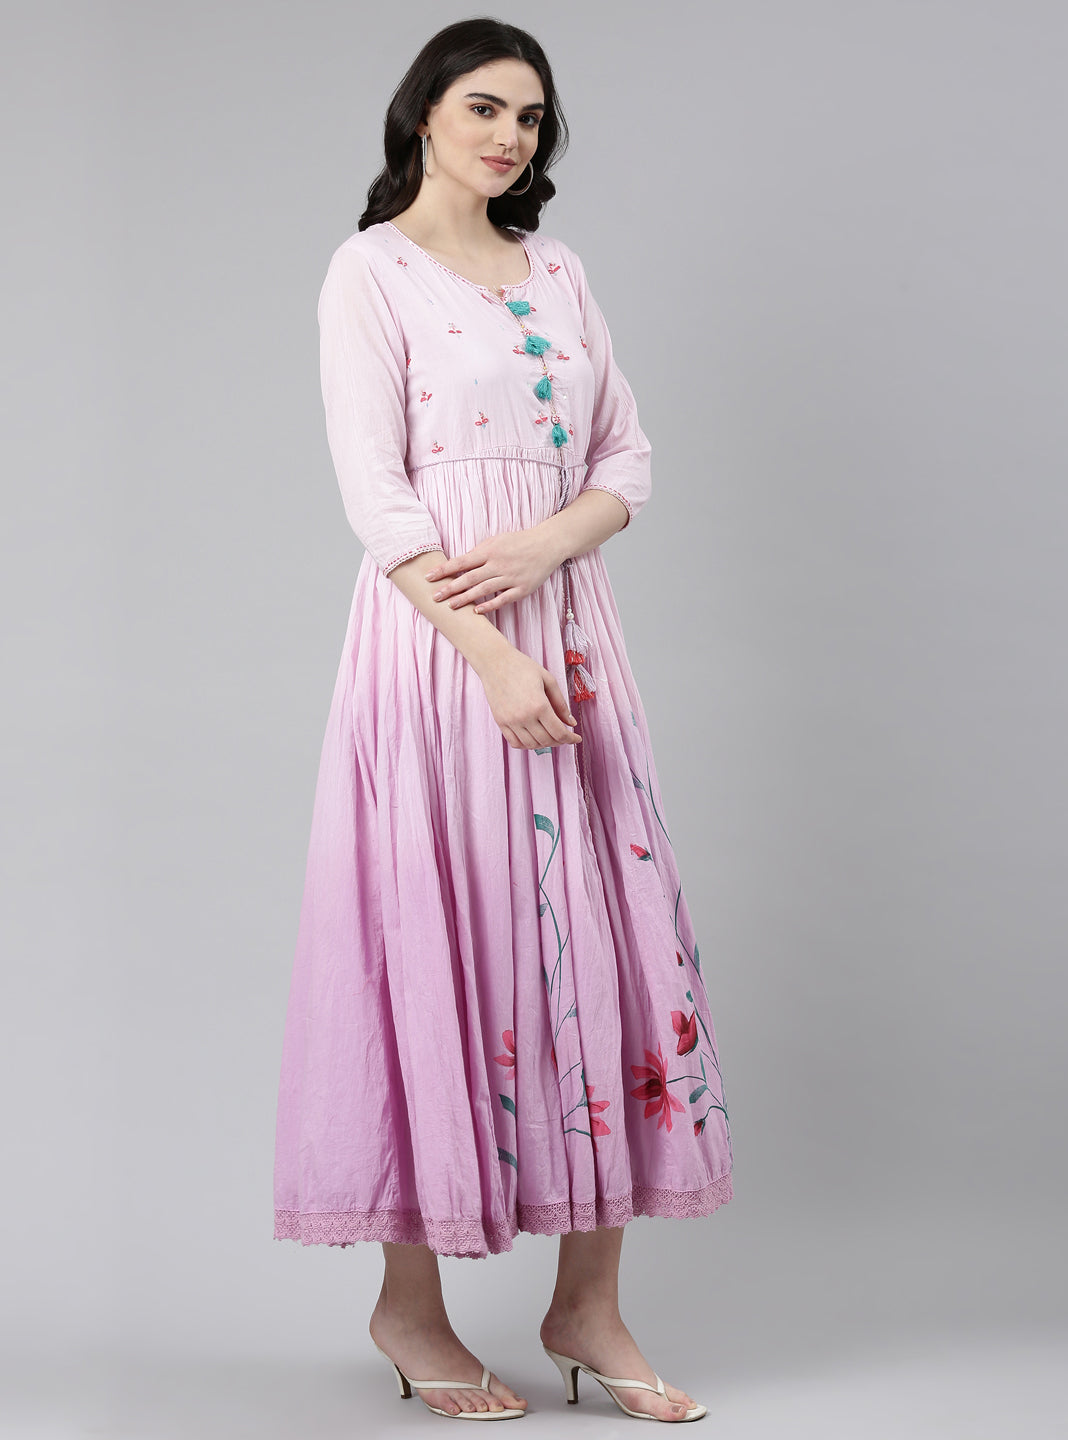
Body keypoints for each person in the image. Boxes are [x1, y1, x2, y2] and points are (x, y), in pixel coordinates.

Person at [273, 17, 733, 1424]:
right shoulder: (369, 271)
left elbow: (626, 459)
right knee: (443, 931)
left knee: (607, 937)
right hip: (441, 649)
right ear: (424, 112)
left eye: (530, 118)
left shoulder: (561, 271)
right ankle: (409, 1308)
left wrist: (543, 549)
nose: (509, 136)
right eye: (484, 108)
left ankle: (587, 1303)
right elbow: (377, 497)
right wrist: (486, 653)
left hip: (572, 636)